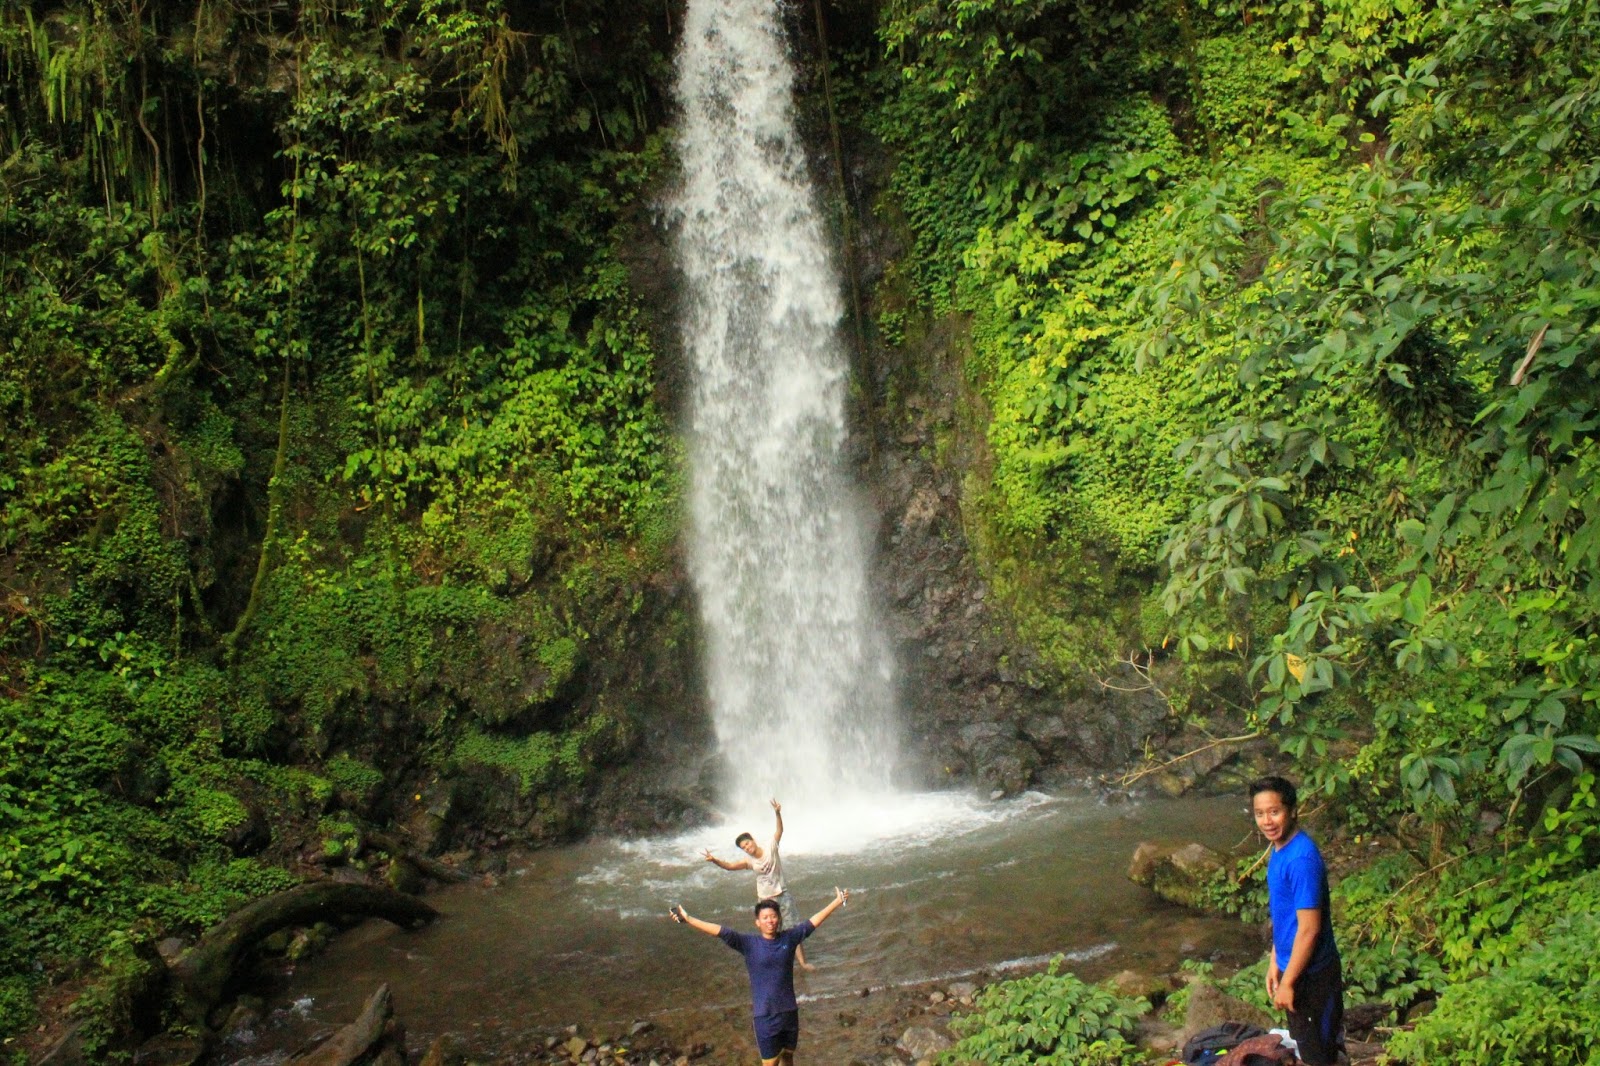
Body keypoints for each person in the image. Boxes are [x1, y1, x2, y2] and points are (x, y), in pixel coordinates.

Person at [670, 887, 849, 1065]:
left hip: (789, 1012)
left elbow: (812, 922)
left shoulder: (789, 938)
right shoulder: (748, 944)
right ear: (757, 922)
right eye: (765, 918)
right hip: (765, 1017)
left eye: (773, 916)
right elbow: (720, 931)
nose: (770, 921)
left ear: (779, 919)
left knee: (788, 1058)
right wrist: (688, 919)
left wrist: (837, 901)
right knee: (770, 1063)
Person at [1251, 775, 1345, 1065]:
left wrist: (1289, 981)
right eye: (1260, 813)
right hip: (1294, 966)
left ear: (1293, 811)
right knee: (1308, 1046)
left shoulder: (1301, 859)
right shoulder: (1280, 850)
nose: (1267, 821)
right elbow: (1286, 916)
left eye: (1274, 812)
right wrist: (1275, 961)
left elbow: (1309, 929)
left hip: (1313, 975)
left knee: (1321, 1054)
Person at [702, 798, 811, 969]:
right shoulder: (749, 862)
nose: (747, 848)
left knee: (793, 931)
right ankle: (780, 962)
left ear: (752, 840)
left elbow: (779, 831)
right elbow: (730, 867)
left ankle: (803, 963)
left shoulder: (770, 847)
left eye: (747, 844)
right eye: (743, 848)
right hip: (766, 901)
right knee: (771, 932)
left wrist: (777, 813)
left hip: (782, 894)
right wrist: (714, 860)